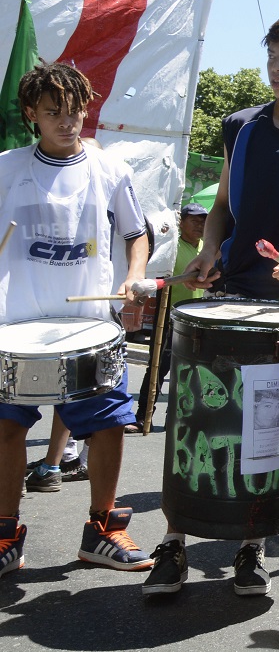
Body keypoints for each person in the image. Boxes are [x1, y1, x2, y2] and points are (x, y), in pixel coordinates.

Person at [143, 15, 279, 598]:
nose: (276, 67)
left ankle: (250, 548)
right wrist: (210, 249)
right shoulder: (239, 127)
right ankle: (175, 544)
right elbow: (220, 207)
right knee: (198, 418)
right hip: (231, 290)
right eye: (272, 55)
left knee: (270, 428)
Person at [0, 61, 153, 579]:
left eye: (75, 111)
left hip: (88, 323)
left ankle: (102, 529)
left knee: (109, 426)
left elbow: (136, 233)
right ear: (31, 115)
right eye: (53, 113)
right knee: (4, 430)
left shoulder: (111, 169)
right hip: (15, 323)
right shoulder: (5, 167)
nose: (68, 122)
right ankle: (4, 534)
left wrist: (135, 276)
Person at [128, 201, 208, 432]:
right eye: (194, 220)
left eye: (203, 221)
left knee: (191, 374)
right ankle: (144, 417)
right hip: (168, 320)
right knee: (157, 369)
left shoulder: (206, 249)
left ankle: (181, 418)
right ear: (181, 223)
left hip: (194, 321)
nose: (199, 225)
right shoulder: (171, 249)